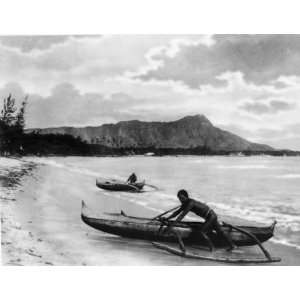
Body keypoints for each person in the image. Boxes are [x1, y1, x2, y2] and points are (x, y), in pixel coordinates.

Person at [164, 189, 236, 251]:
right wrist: (167, 218)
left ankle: (212, 247)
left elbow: (182, 215)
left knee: (201, 232)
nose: (180, 200)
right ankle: (232, 246)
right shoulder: (185, 203)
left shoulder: (190, 203)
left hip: (211, 217)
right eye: (179, 199)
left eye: (182, 198)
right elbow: (176, 213)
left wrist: (171, 226)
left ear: (186, 197)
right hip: (211, 216)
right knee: (220, 232)